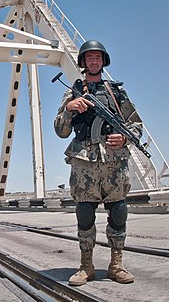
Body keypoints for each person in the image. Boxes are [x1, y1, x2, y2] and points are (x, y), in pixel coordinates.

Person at [54, 40, 143, 286]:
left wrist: (124, 137)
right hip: (84, 165)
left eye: (98, 58)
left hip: (114, 164)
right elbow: (61, 131)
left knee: (118, 213)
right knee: (84, 214)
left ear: (103, 62)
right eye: (89, 58)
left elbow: (136, 125)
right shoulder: (71, 93)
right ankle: (86, 266)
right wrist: (70, 109)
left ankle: (116, 265)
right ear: (83, 63)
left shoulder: (117, 94)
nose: (94, 62)